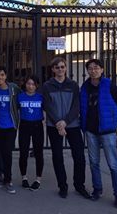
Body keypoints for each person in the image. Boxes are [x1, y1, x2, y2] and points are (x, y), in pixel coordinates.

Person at [42, 56, 91, 199]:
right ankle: (62, 186)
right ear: (53, 70)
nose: (60, 69)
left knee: (79, 156)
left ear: (65, 68)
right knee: (57, 157)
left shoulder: (73, 85)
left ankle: (79, 185)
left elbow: (76, 106)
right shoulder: (47, 86)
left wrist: (65, 122)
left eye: (62, 67)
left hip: (72, 125)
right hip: (54, 126)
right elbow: (47, 106)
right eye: (57, 67)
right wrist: (58, 122)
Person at [80, 59, 117, 207]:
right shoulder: (85, 87)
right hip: (91, 130)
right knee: (94, 163)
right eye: (90, 68)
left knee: (113, 164)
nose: (93, 70)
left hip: (107, 131)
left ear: (102, 69)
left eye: (96, 68)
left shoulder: (109, 85)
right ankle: (97, 189)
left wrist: (113, 119)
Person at [0, 66, 20, 194]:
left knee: (7, 152)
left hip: (10, 126)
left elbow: (22, 99)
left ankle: (8, 179)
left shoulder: (13, 88)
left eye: (2, 75)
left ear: (6, 76)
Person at [17, 75, 44, 191]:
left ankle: (38, 179)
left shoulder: (41, 97)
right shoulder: (20, 97)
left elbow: (47, 109)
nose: (31, 86)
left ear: (36, 85)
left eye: (33, 84)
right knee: (23, 152)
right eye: (29, 84)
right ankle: (24, 177)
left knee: (38, 153)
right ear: (25, 84)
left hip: (37, 126)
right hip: (24, 125)